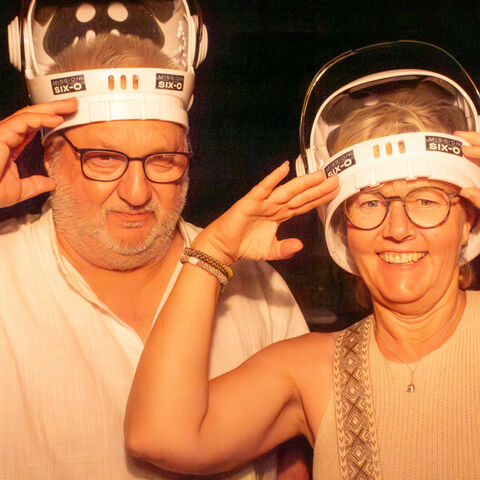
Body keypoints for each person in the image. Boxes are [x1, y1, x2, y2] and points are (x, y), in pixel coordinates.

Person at [124, 41, 480, 479]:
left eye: (426, 200)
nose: (398, 227)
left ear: (467, 219)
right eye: (370, 203)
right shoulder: (309, 370)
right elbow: (160, 436)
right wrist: (213, 251)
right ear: (342, 230)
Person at [1, 1, 311, 479]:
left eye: (163, 161)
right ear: (50, 159)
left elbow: (294, 453)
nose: (137, 192)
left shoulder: (256, 287)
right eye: (104, 159)